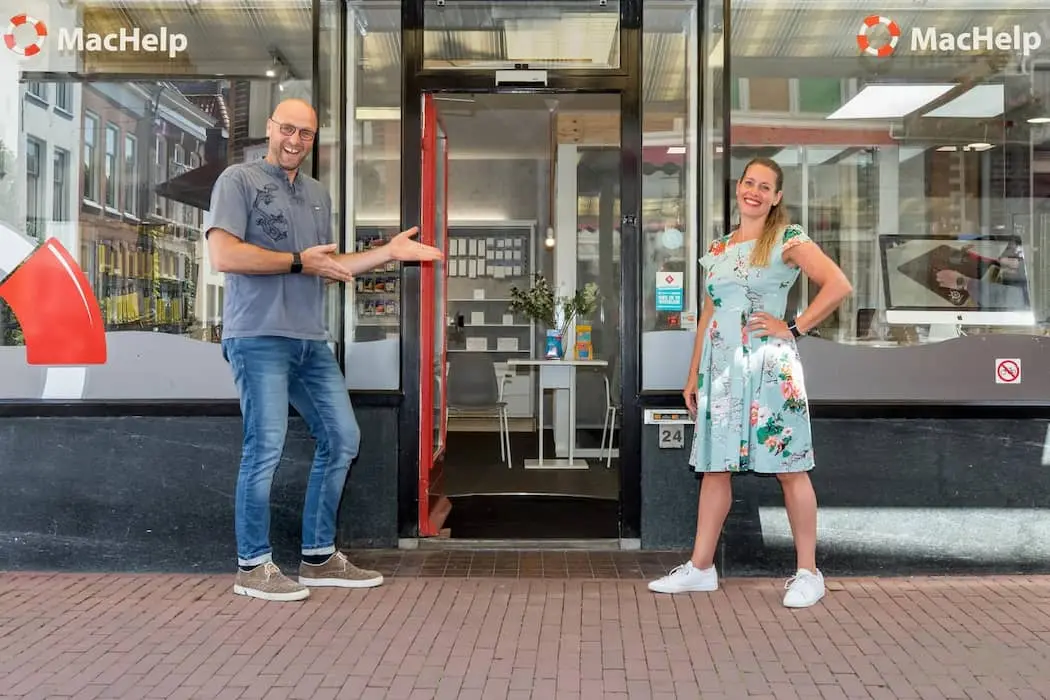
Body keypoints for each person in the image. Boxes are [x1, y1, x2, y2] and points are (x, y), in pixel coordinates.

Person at [204, 98, 442, 601]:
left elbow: (329, 265)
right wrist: (296, 262)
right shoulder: (238, 181)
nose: (295, 140)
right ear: (270, 128)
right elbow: (225, 254)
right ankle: (252, 565)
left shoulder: (316, 194)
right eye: (288, 129)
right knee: (264, 447)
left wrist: (387, 253)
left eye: (306, 133)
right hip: (258, 337)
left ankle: (317, 556)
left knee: (343, 437)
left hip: (310, 340)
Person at [648, 157, 852, 608]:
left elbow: (838, 285)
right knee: (714, 466)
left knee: (788, 466)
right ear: (738, 188)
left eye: (765, 186)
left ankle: (808, 572)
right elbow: (709, 312)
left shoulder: (787, 238)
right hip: (721, 371)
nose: (755, 192)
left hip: (768, 365)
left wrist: (793, 327)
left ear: (777, 196)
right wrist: (693, 371)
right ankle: (701, 568)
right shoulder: (719, 249)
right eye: (749, 183)